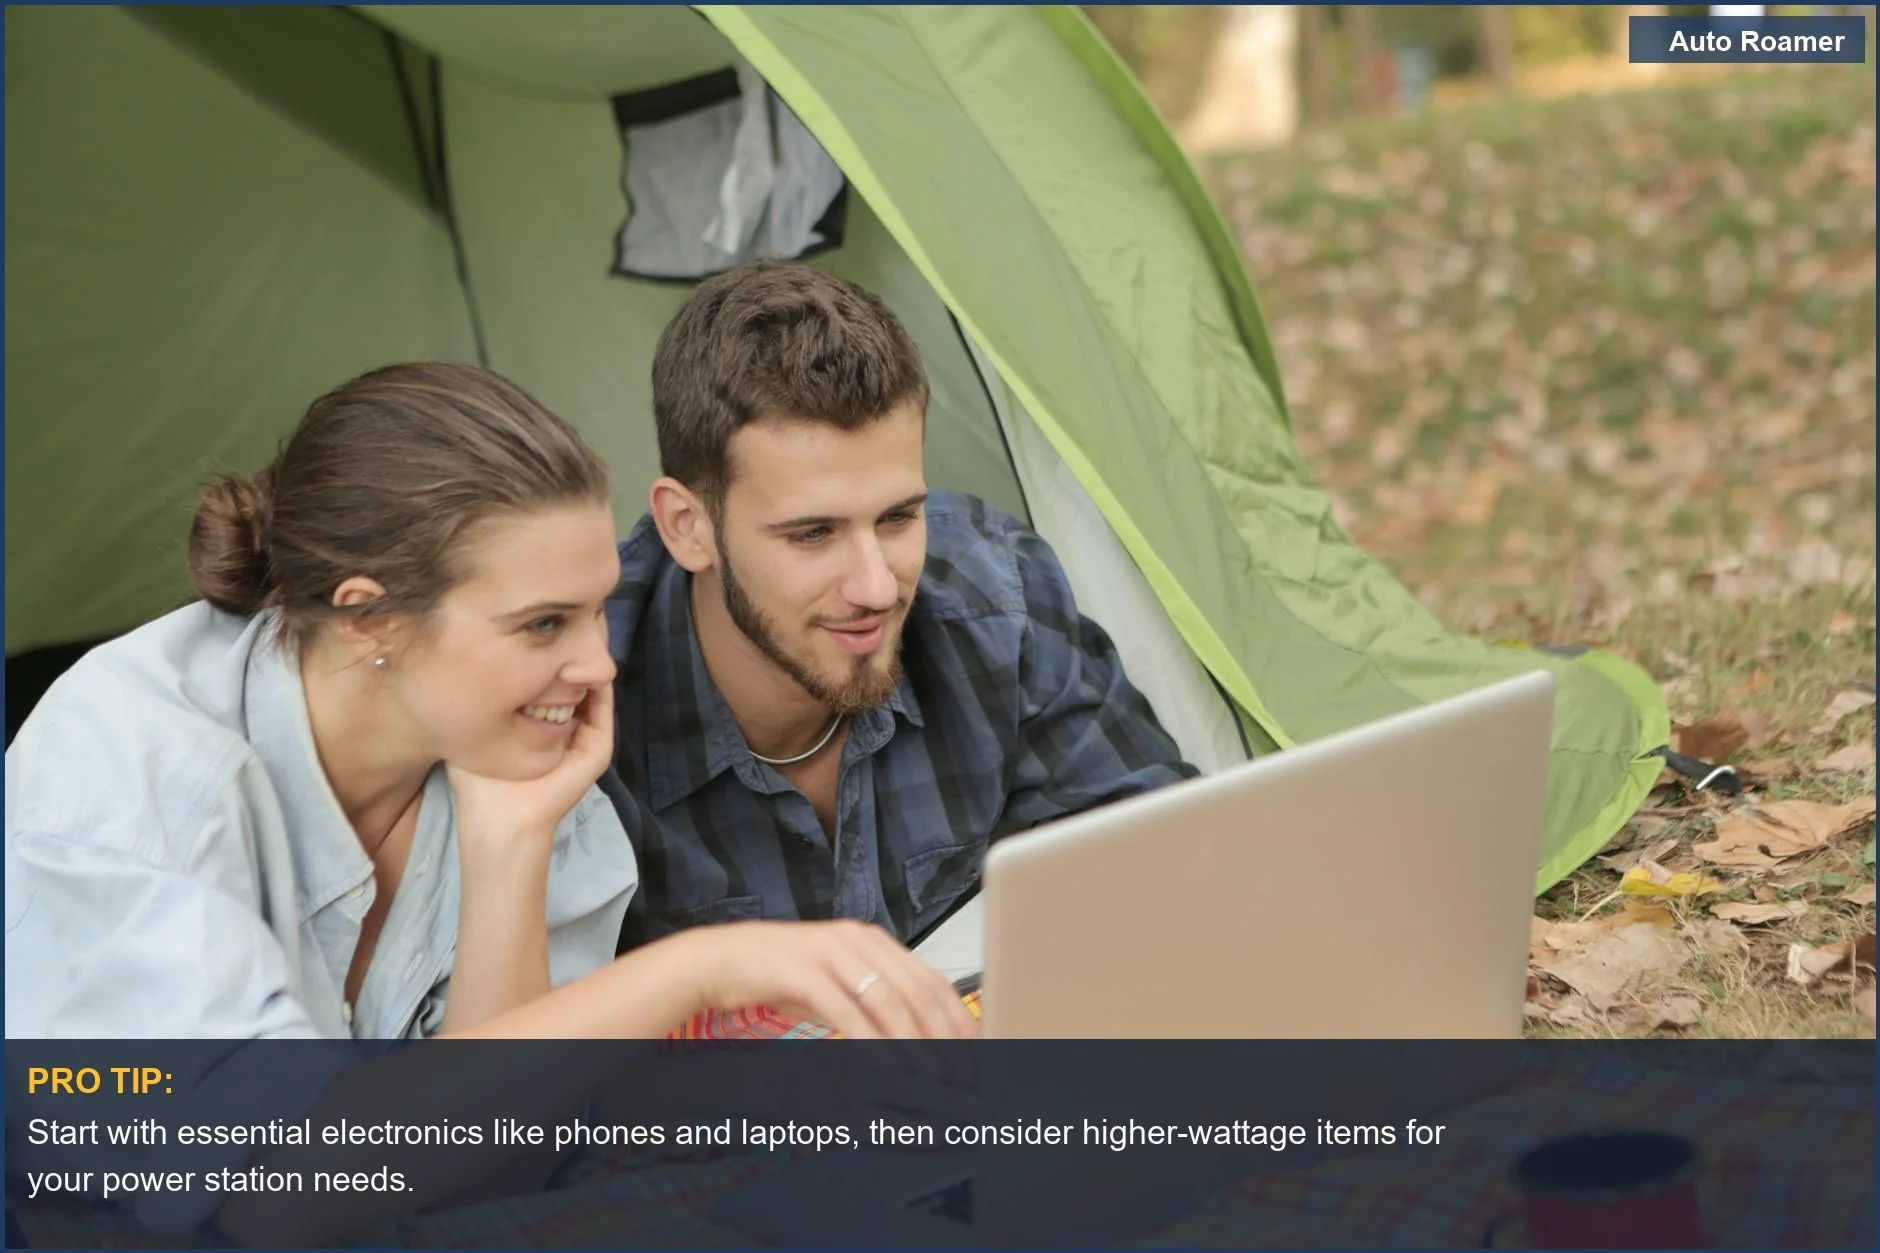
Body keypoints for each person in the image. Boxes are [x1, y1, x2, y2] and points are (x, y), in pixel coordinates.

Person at [3, 360, 976, 1047]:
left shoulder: (509, 762)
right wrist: (702, 967)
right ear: (368, 618)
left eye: (598, 610)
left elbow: (481, 1146)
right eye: (542, 624)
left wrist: (508, 841)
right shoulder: (132, 761)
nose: (599, 666)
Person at [605, 260, 1199, 953]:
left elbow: (1177, 855)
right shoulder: (585, 701)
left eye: (897, 517)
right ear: (688, 526)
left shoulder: (993, 597)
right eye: (813, 533)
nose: (877, 588)